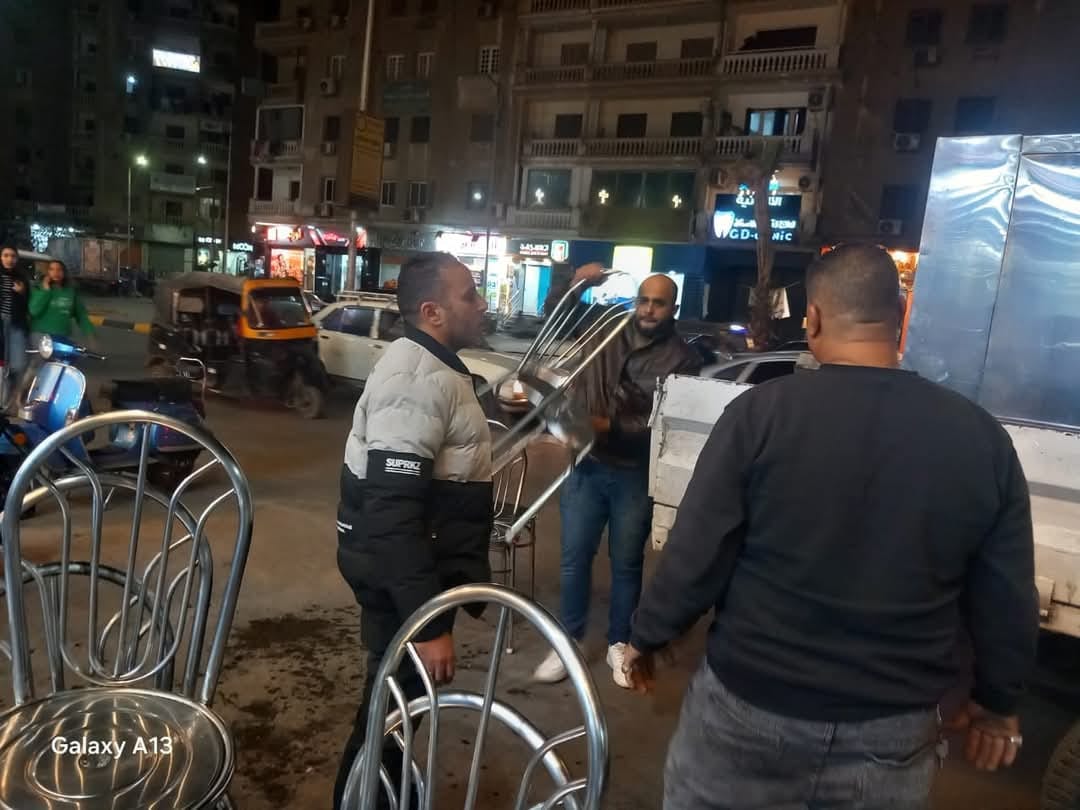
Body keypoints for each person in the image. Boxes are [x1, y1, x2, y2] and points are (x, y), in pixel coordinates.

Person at [624, 244, 1038, 809]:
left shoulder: (761, 415)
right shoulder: (981, 439)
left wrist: (648, 636)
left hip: (749, 711)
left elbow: (698, 552)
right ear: (900, 316)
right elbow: (1006, 595)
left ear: (813, 318)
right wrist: (998, 703)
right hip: (893, 729)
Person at [332, 252, 492, 809]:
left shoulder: (434, 369)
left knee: (393, 715)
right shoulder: (414, 379)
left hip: (411, 579)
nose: (482, 304)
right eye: (469, 295)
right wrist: (428, 624)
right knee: (388, 718)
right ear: (433, 312)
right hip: (403, 588)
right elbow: (392, 513)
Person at [533, 266, 702, 688]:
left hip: (633, 473)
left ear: (673, 308)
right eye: (643, 300)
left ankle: (619, 642)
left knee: (626, 563)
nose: (648, 309)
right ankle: (569, 640)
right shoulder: (606, 329)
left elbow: (666, 422)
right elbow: (557, 314)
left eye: (658, 303)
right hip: (587, 464)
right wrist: (578, 282)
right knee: (574, 559)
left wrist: (609, 425)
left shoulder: (683, 358)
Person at [30, 260, 95, 340]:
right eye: (51, 269)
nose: (56, 272)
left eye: (59, 269)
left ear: (64, 272)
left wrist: (90, 333)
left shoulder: (70, 292)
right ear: (47, 273)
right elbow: (34, 311)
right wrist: (46, 290)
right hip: (40, 335)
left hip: (63, 335)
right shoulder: (38, 289)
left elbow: (81, 315)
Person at [0, 244, 31, 405]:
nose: (9, 259)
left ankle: (9, 395)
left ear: (17, 259)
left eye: (12, 256)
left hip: (16, 324)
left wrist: (22, 293)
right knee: (2, 365)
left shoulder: (22, 278)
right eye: (6, 255)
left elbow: (28, 304)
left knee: (18, 365)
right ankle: (4, 402)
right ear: (1, 257)